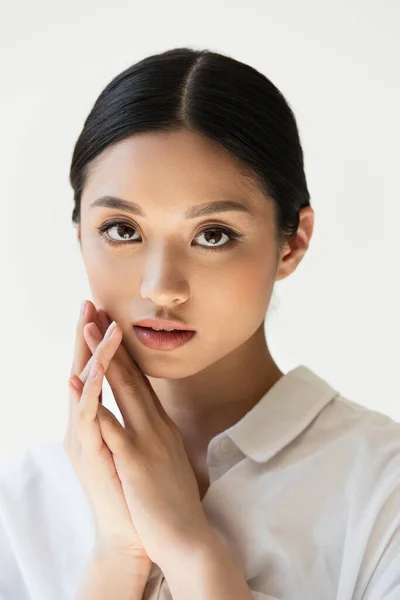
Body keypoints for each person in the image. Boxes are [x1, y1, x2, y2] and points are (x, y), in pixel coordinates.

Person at [0, 46, 399, 600]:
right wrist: (118, 557)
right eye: (121, 229)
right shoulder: (21, 502)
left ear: (293, 242)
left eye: (213, 234)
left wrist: (191, 550)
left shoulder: (384, 490)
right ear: (79, 234)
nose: (161, 286)